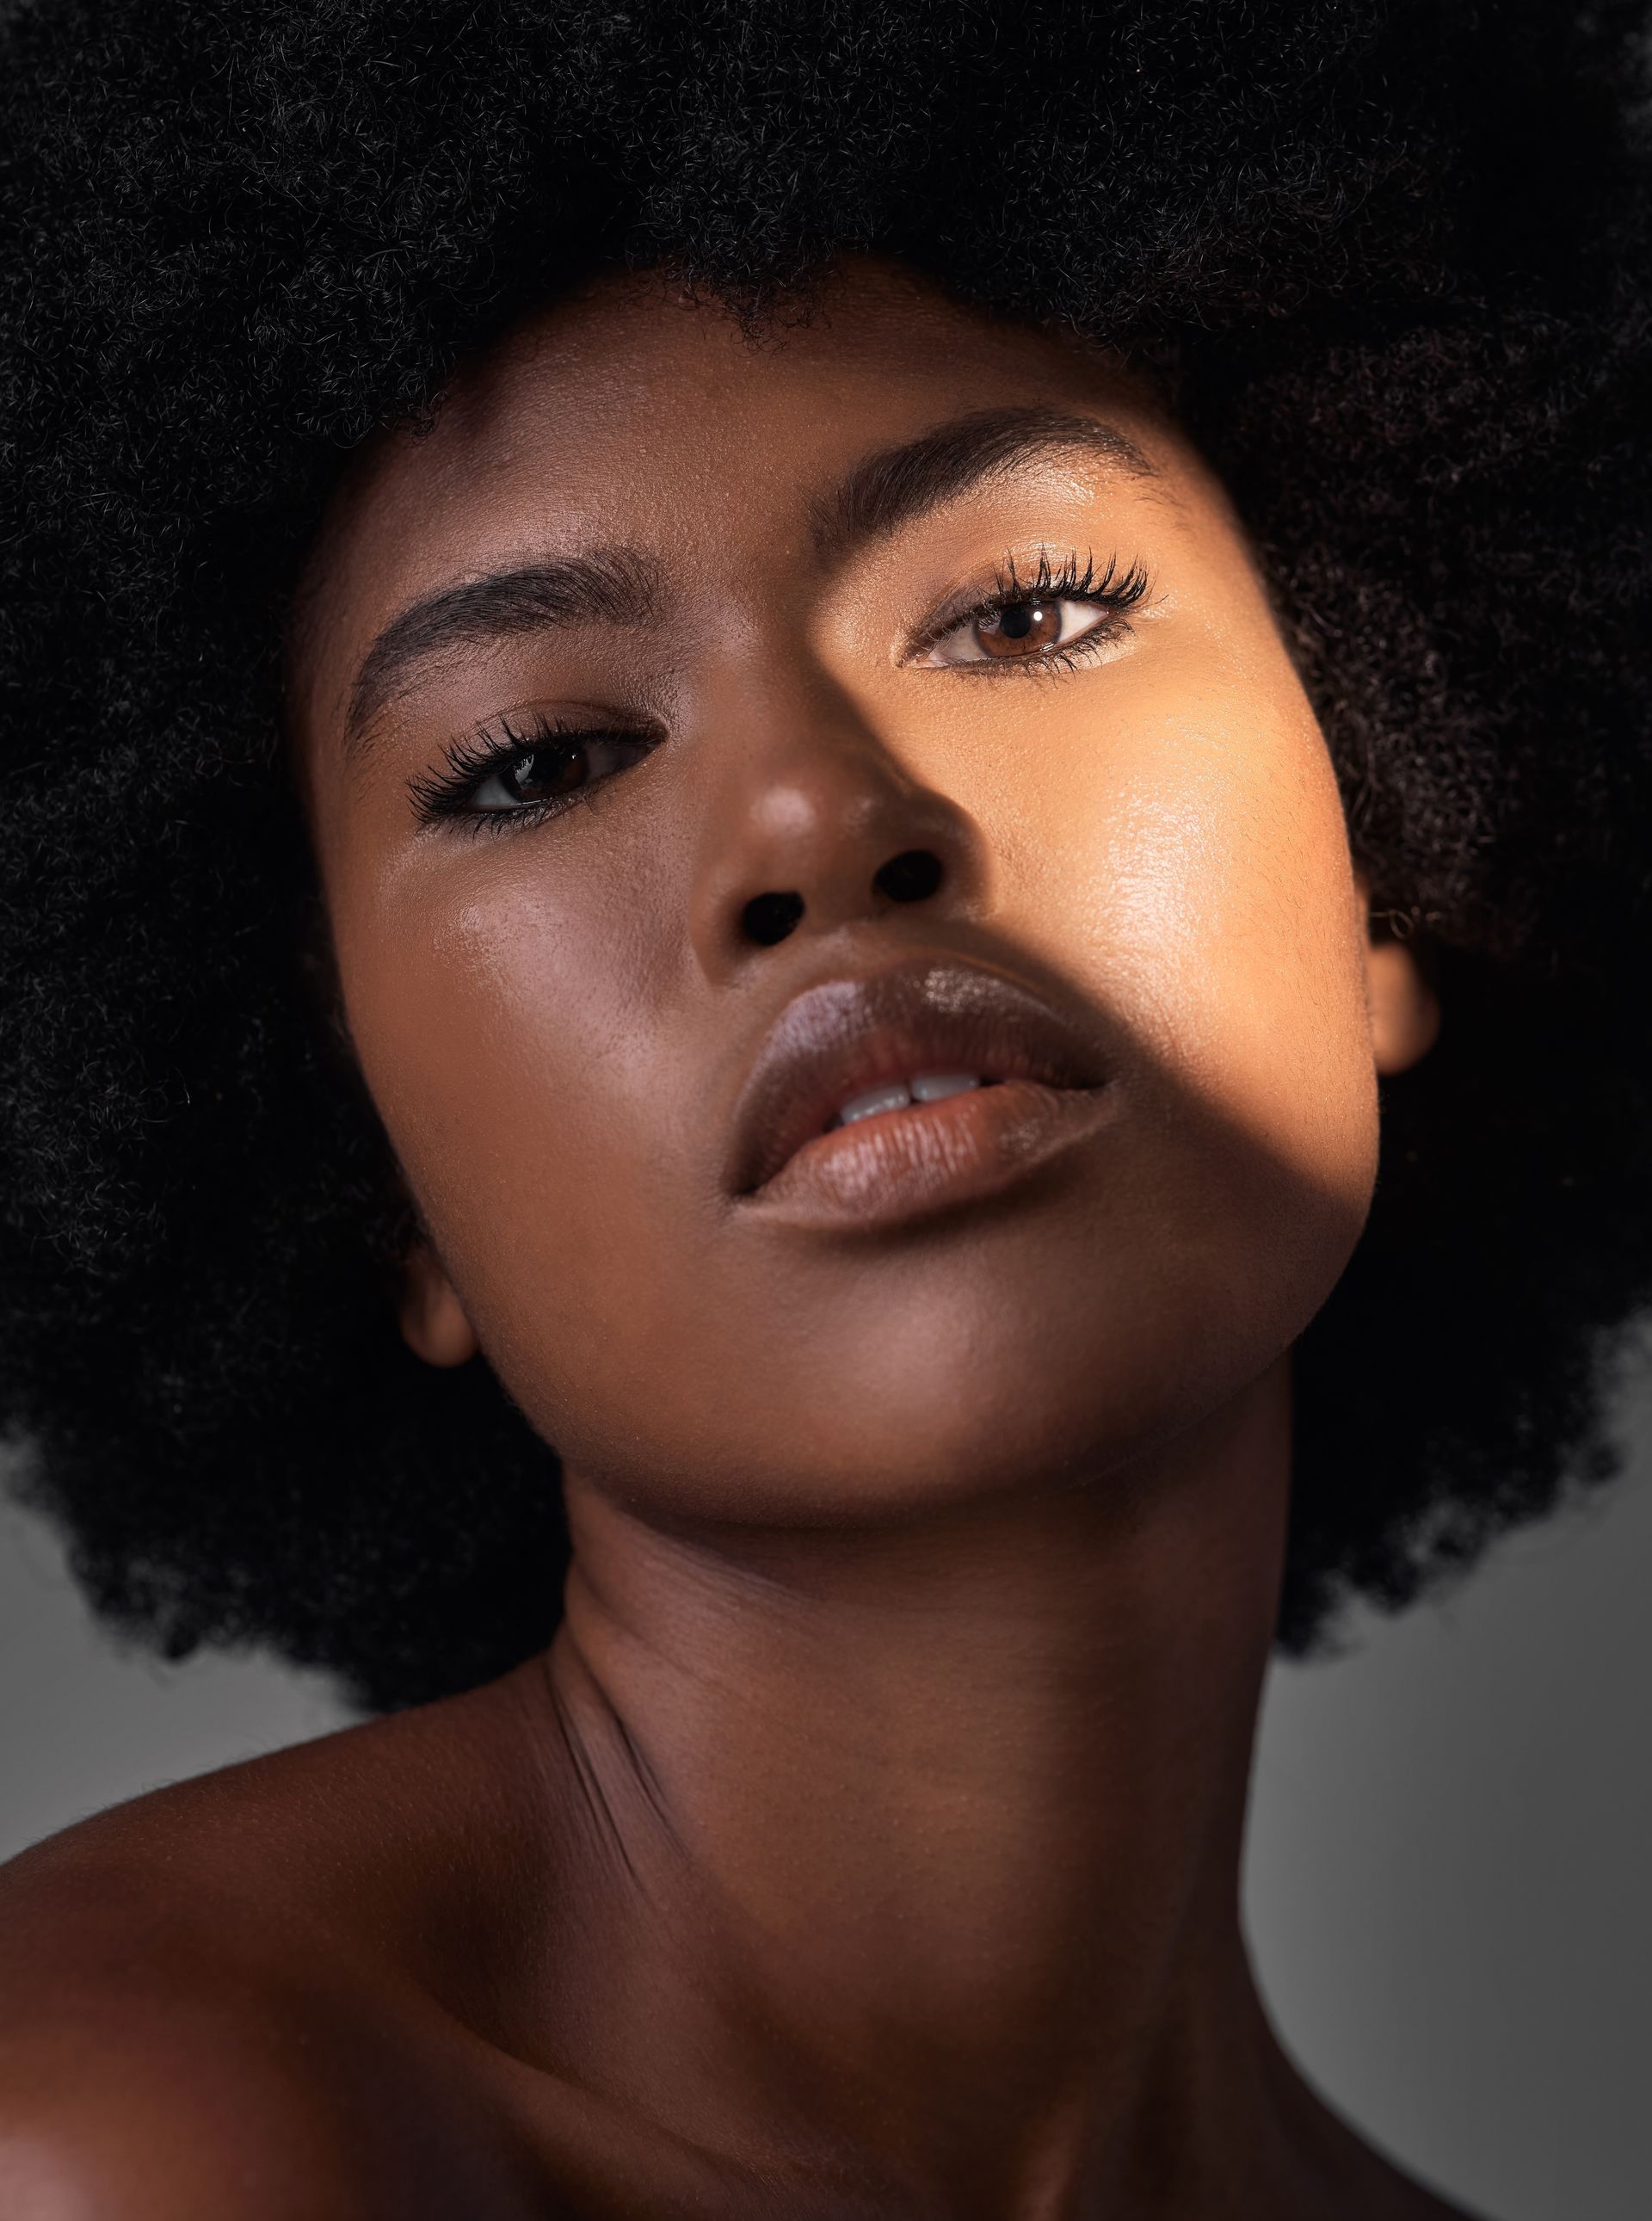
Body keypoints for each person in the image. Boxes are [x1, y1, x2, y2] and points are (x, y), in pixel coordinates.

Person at [1, 3, 1646, 2213]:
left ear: (1397, 865)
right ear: (365, 1174)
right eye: (542, 761)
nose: (817, 813)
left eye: (1028, 611)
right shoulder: (141, 2142)